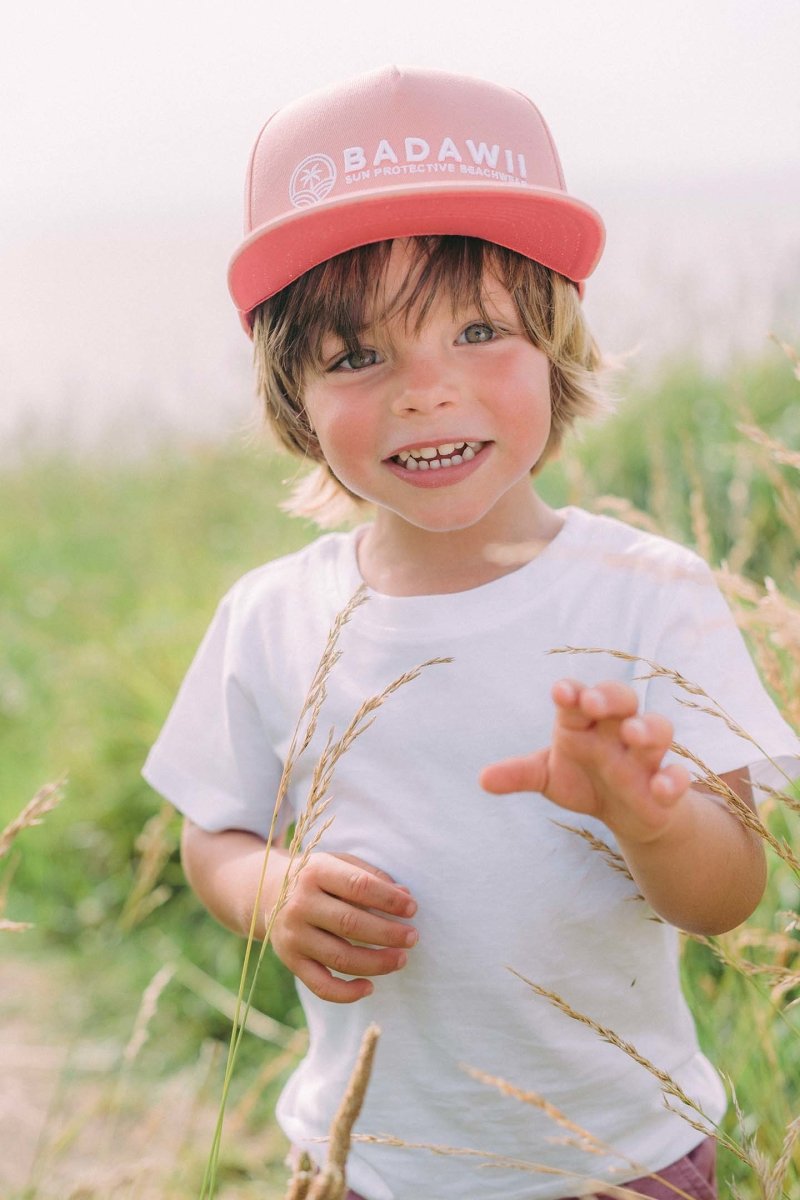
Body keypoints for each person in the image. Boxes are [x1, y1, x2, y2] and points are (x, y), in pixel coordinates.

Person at [142, 66, 799, 1200]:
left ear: (558, 351)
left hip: (620, 1160)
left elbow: (725, 891)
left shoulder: (647, 593)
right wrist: (269, 890)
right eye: (358, 355)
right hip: (364, 1160)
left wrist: (648, 817)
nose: (424, 391)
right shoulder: (272, 616)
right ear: (295, 400)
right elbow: (217, 835)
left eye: (479, 330)